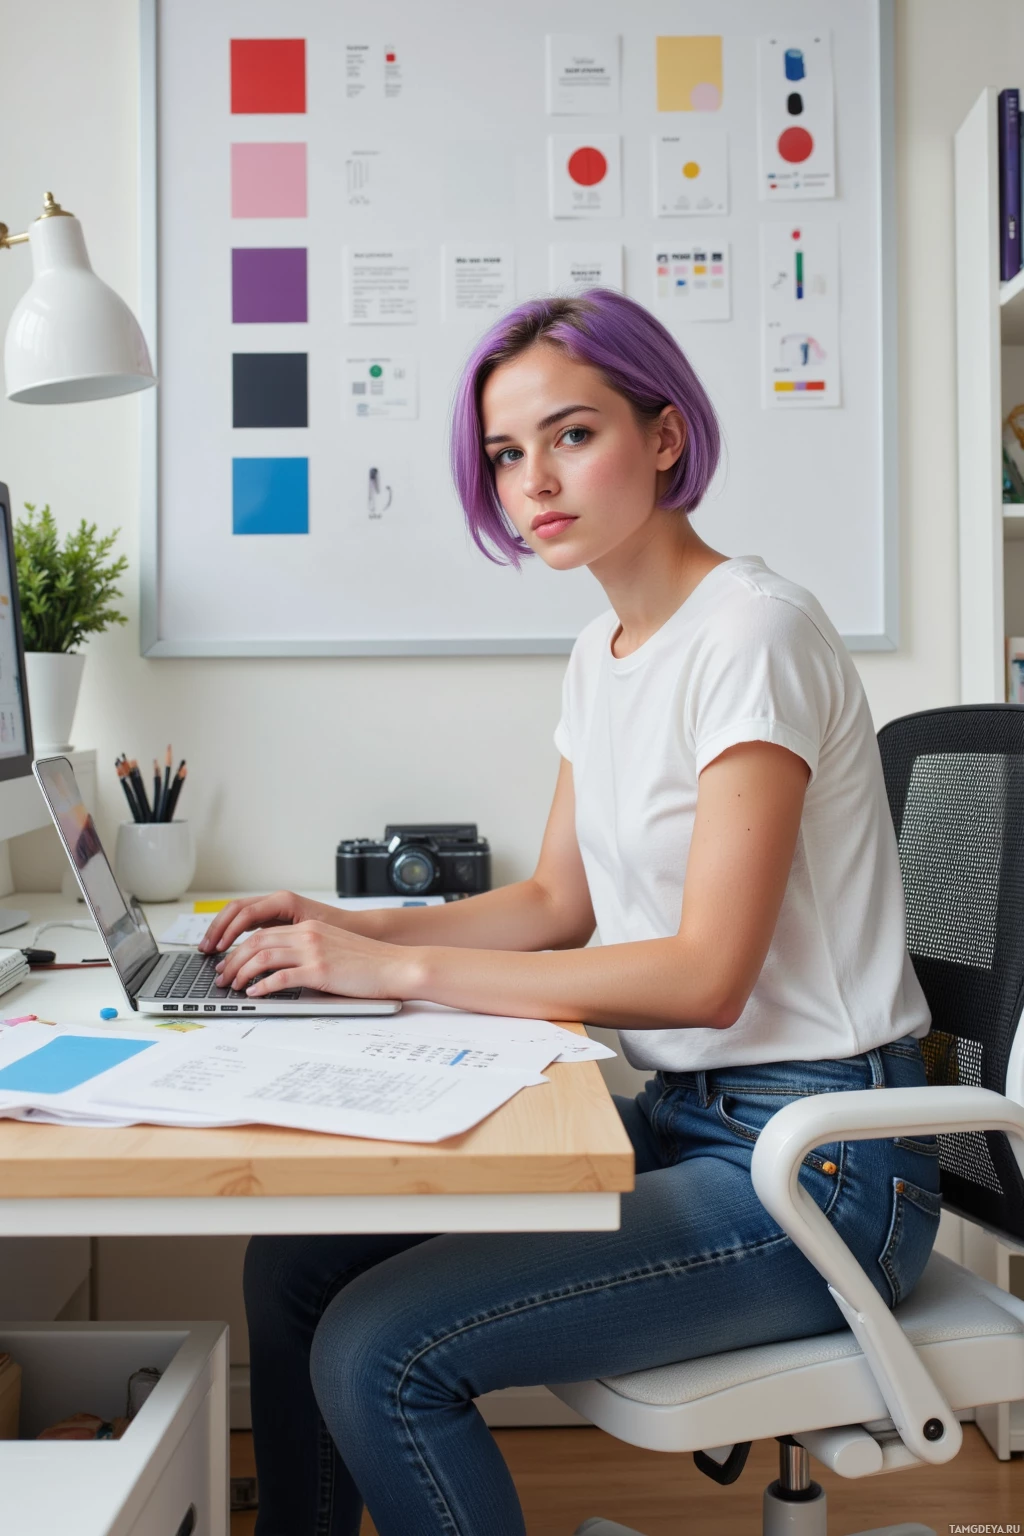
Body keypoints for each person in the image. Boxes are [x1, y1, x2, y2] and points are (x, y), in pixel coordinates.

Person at [201, 290, 940, 1536]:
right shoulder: (604, 651)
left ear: (662, 436)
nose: (531, 480)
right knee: (295, 1269)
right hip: (696, 1119)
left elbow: (706, 975)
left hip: (823, 1168)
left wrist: (397, 970)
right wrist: (334, 925)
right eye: (504, 453)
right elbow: (554, 904)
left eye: (570, 435)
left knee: (381, 1354)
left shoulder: (750, 634)